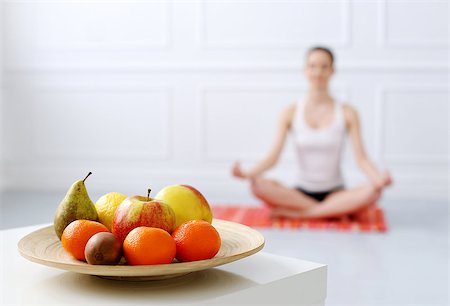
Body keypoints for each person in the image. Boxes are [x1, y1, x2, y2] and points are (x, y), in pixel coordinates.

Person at [231, 46, 392, 220]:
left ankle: (303, 214)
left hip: (336, 193)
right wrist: (248, 174)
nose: (318, 72)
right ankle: (332, 211)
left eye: (324, 67)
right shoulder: (290, 112)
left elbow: (362, 158)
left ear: (332, 71)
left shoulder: (347, 112)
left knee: (373, 192)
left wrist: (378, 180)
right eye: (313, 66)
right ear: (305, 70)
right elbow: (273, 157)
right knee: (258, 185)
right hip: (300, 193)